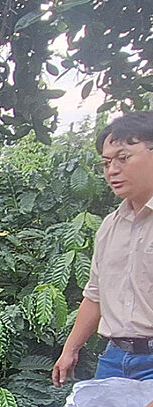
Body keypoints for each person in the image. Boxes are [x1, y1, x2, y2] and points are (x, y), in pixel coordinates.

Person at [53, 113, 153, 386]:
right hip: (114, 358)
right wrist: (70, 349)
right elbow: (95, 294)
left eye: (123, 158)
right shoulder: (110, 226)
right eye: (107, 163)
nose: (112, 170)